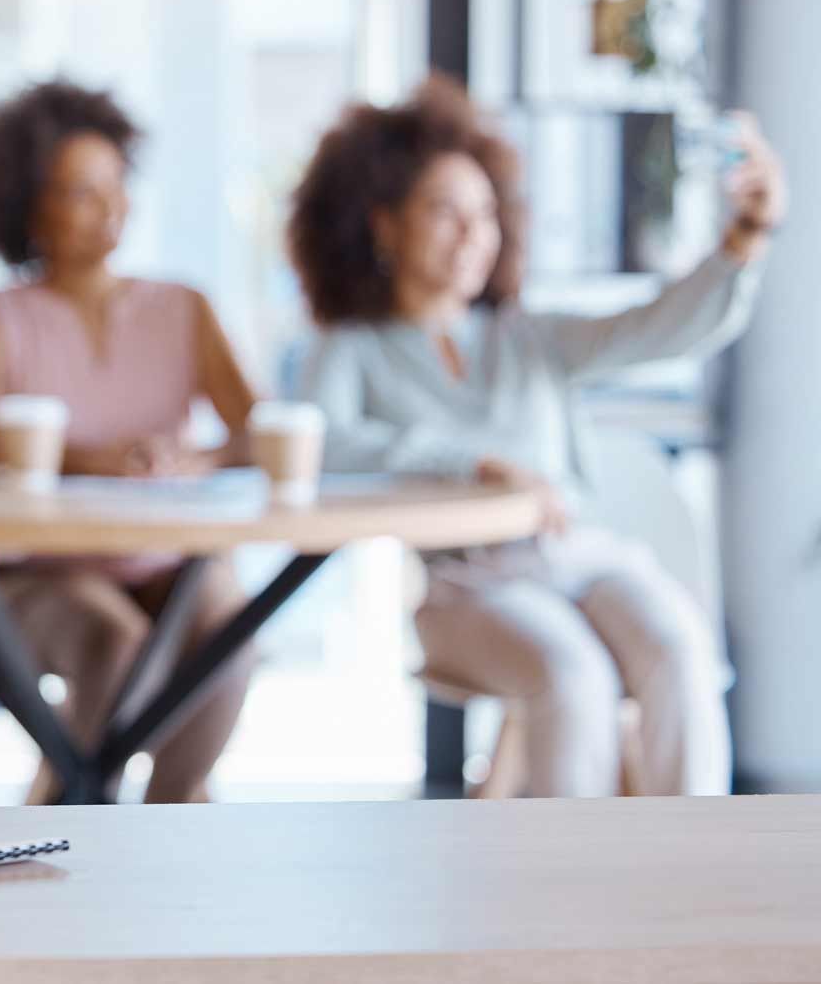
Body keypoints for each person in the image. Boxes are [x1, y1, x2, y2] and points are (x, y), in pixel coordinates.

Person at [288, 76, 786, 797]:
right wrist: (474, 461)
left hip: (579, 554)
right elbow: (326, 447)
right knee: (572, 675)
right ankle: (564, 896)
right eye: (444, 212)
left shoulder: (527, 337)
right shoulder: (352, 345)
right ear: (384, 224)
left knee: (679, 648)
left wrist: (746, 236)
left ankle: (694, 875)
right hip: (467, 584)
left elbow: (659, 327)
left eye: (485, 214)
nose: (472, 234)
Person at [0, 80, 260, 803]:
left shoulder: (183, 307)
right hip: (44, 568)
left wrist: (194, 458)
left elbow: (258, 433)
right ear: (29, 206)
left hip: (166, 558)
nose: (112, 208)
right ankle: (74, 804)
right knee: (114, 644)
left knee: (231, 630)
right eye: (82, 192)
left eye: (117, 185)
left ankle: (170, 811)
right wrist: (85, 458)